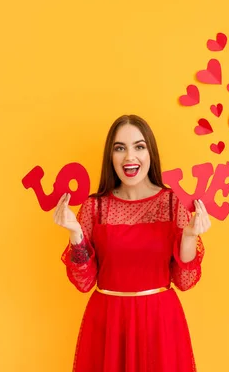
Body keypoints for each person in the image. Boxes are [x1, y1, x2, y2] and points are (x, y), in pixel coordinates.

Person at [53, 114, 210, 372]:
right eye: (120, 148)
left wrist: (191, 235)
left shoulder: (172, 204)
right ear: (110, 156)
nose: (129, 157)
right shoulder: (95, 206)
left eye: (139, 146)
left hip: (160, 324)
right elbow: (84, 282)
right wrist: (74, 232)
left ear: (150, 152)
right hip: (108, 323)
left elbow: (184, 280)